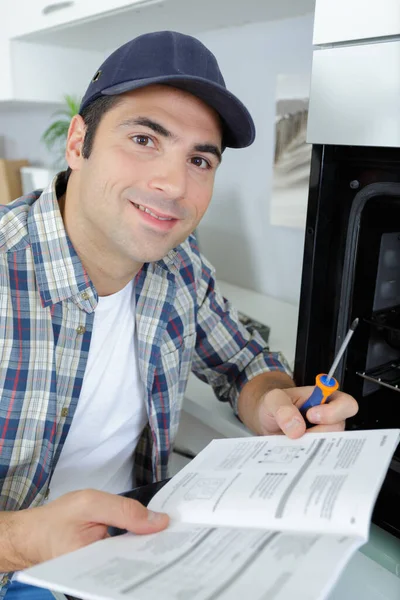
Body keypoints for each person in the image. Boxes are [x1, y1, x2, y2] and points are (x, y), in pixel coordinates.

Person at [0, 30, 358, 599]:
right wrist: (17, 542)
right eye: (144, 138)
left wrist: (270, 401)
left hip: (138, 548)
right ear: (77, 143)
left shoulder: (179, 265)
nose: (173, 185)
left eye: (199, 159)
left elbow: (245, 361)